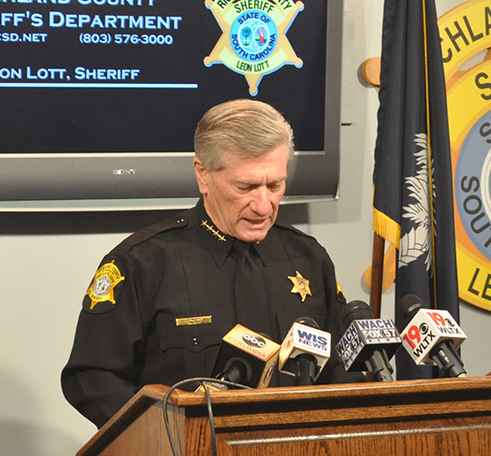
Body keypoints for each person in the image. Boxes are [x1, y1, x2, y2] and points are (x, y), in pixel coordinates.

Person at [61, 99, 354, 428]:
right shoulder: (142, 263)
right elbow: (91, 378)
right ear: (203, 175)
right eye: (246, 186)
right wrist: (165, 435)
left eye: (275, 185)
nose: (263, 205)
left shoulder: (309, 257)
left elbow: (344, 369)